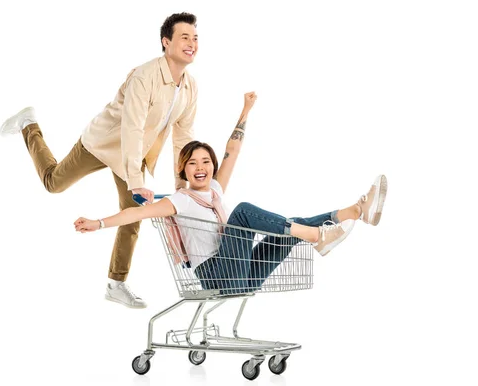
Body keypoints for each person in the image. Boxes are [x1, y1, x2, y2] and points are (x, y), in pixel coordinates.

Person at [74, 92, 388, 295]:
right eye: (193, 163)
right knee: (242, 213)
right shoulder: (178, 201)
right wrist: (98, 223)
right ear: (184, 170)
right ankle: (318, 236)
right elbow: (135, 212)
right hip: (216, 275)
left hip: (243, 273)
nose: (201, 167)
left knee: (287, 225)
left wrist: (245, 110)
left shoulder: (214, 189)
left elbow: (232, 152)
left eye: (206, 162)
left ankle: (356, 211)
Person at [0, 13, 200, 308]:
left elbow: (184, 136)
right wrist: (135, 181)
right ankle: (29, 125)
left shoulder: (190, 87)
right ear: (165, 42)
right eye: (185, 37)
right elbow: (131, 128)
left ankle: (116, 284)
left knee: (133, 214)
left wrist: (183, 185)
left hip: (133, 155)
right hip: (104, 143)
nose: (192, 43)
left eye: (195, 38)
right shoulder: (145, 76)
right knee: (54, 183)